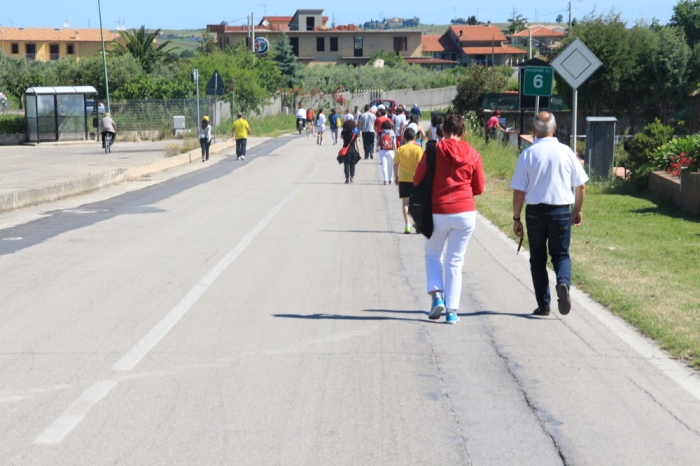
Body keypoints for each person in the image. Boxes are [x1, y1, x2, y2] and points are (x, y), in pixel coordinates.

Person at [510, 112, 588, 317]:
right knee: (561, 255)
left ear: (534, 130)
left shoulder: (528, 154)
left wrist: (516, 218)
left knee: (537, 259)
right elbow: (580, 186)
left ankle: (544, 304)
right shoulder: (566, 152)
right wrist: (577, 210)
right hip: (561, 211)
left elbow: (519, 191)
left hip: (535, 212)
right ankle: (563, 283)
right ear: (554, 129)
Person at [413, 114, 485, 324]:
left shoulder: (433, 150)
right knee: (455, 261)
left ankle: (437, 297)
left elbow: (417, 179)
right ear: (463, 133)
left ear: (442, 131)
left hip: (438, 211)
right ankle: (452, 311)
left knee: (433, 254)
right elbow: (479, 188)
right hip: (465, 213)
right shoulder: (473, 153)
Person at [393, 128, 424, 233]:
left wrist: (396, 177)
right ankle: (416, 222)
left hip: (403, 179)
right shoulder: (418, 149)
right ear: (415, 138)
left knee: (405, 203)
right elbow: (421, 164)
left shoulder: (401, 149)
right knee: (416, 202)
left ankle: (407, 225)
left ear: (404, 138)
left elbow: (395, 165)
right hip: (416, 179)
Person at [340, 119, 361, 184]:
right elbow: (357, 143)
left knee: (346, 164)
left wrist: (344, 130)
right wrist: (359, 152)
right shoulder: (354, 134)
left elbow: (341, 137)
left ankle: (347, 178)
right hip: (353, 150)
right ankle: (352, 177)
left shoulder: (343, 133)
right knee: (352, 164)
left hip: (345, 151)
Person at [378, 120, 396, 185]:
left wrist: (378, 148)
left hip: (383, 151)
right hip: (390, 151)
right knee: (390, 166)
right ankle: (390, 180)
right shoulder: (392, 133)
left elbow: (379, 143)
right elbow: (394, 144)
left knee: (384, 166)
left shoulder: (380, 133)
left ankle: (385, 180)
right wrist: (396, 152)